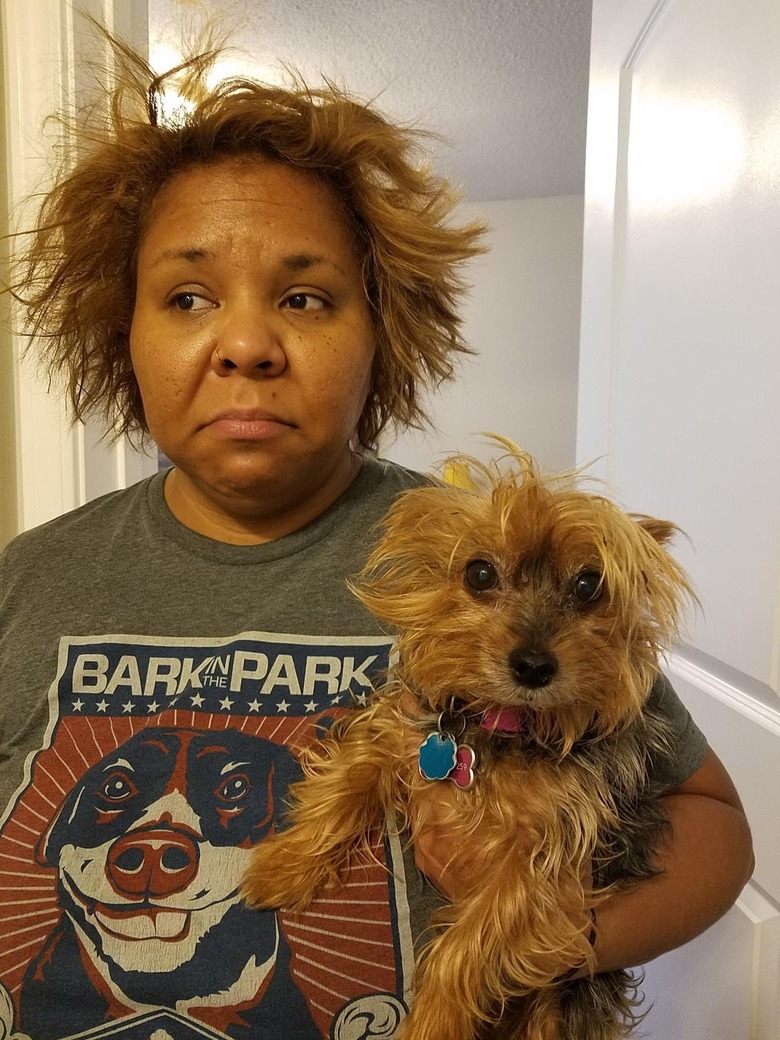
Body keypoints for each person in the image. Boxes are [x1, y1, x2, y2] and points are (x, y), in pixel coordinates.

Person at [0, 27, 753, 1040]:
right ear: (119, 328)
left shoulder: (466, 557)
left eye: (305, 297)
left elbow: (717, 831)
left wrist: (558, 935)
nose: (247, 345)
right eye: (188, 296)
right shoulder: (27, 579)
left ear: (382, 330)